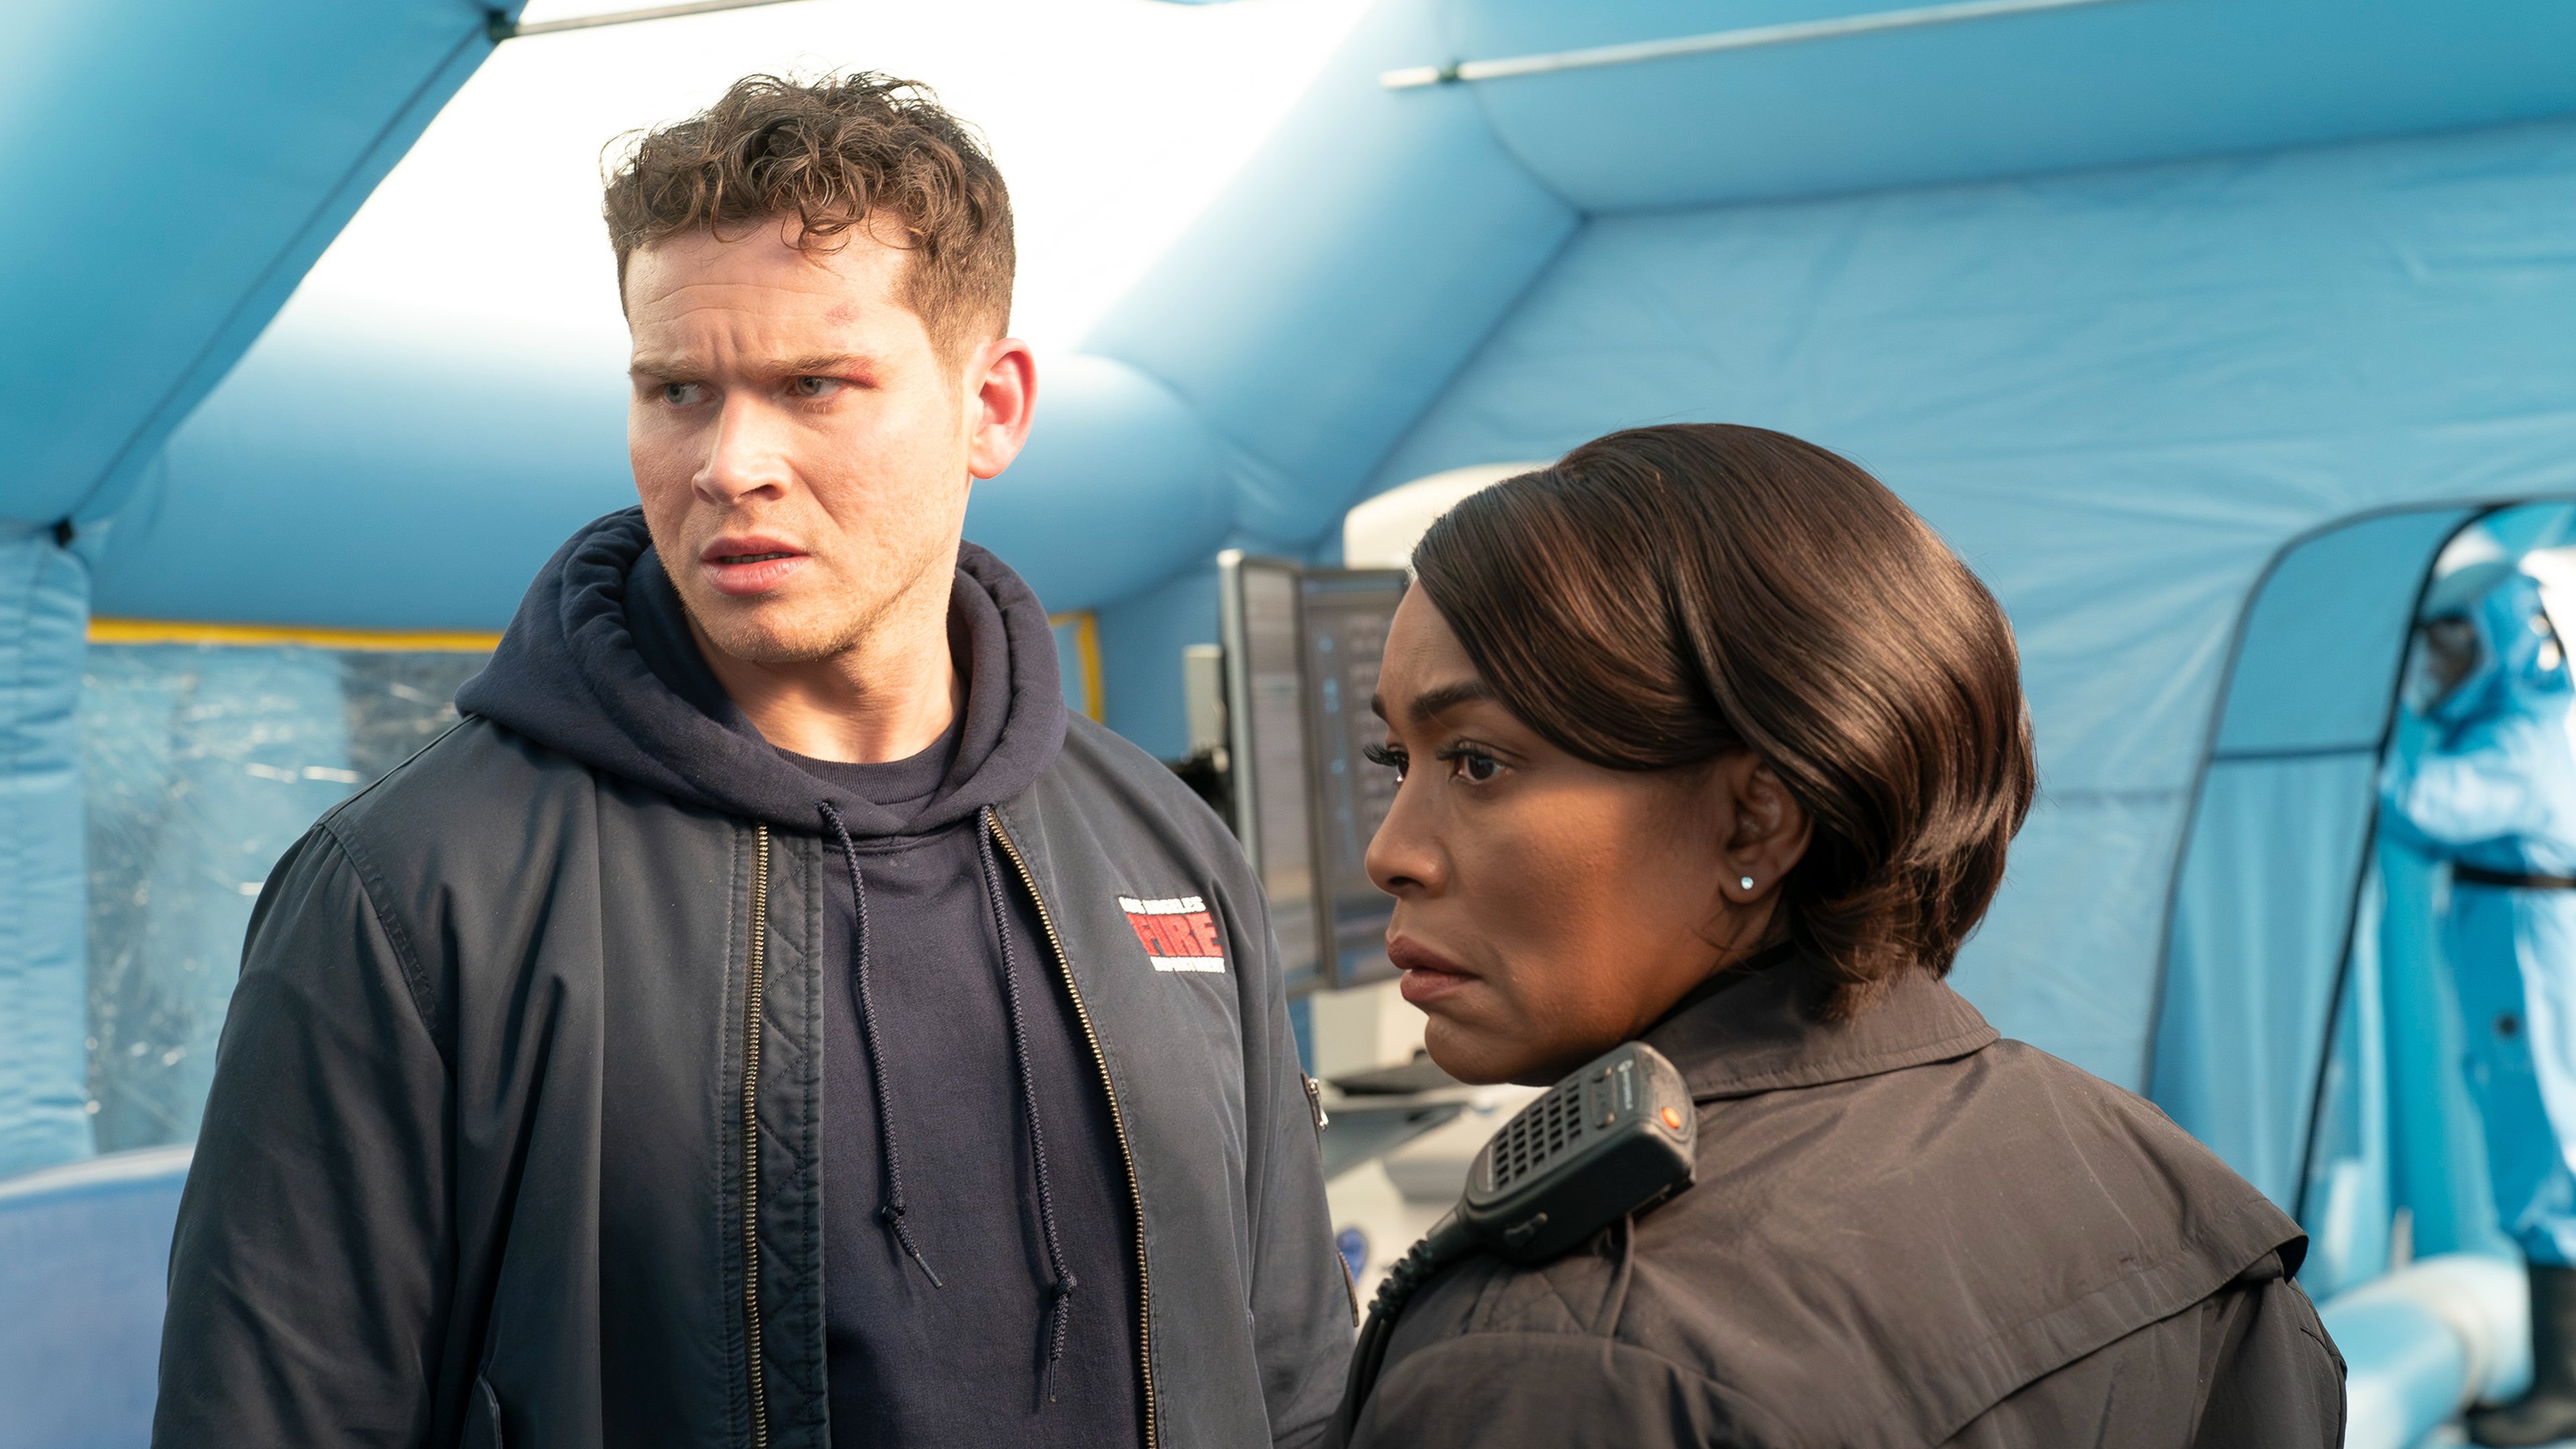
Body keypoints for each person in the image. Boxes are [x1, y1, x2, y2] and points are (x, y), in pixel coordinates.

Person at [152, 74, 1351, 1448]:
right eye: (679, 391)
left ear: (992, 406)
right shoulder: (411, 896)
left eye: (812, 386)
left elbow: (1295, 1384)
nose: (731, 464)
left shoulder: (1166, 850)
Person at [1334, 424, 2346, 1447]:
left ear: (1754, 824)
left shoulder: (1561, 1364)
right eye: (1394, 761)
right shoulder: (2174, 1195)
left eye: (1477, 763)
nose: (1391, 854)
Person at [2381, 559, 2576, 1446]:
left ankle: (2565, 1385)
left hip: (2531, 967)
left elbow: (2424, 810)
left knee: (2549, 1152)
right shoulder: (2525, 721)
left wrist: (2365, 743)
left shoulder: (2518, 737)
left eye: (2451, 643)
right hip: (2520, 953)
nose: (2437, 664)